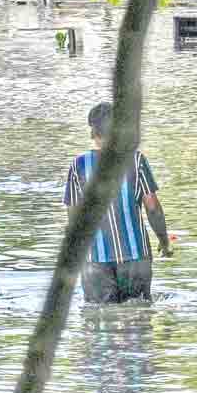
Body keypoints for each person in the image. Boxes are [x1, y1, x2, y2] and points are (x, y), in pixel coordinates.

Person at [64, 102, 173, 304]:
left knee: (100, 318)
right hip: (135, 257)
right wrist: (164, 241)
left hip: (95, 260)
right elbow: (153, 208)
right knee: (138, 314)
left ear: (93, 131)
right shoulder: (136, 160)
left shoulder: (78, 165)